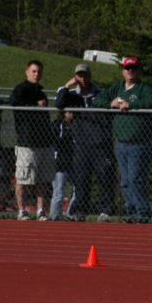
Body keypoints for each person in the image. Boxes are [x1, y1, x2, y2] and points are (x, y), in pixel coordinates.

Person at [94, 56, 152, 223]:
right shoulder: (117, 88)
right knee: (125, 181)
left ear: (139, 71)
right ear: (123, 71)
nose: (130, 71)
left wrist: (132, 105)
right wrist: (111, 104)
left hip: (138, 142)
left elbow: (151, 103)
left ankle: (142, 213)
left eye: (133, 68)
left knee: (136, 178)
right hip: (120, 142)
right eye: (127, 68)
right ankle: (131, 211)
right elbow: (98, 100)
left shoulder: (144, 89)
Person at [55, 63, 115, 222]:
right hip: (81, 145)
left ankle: (106, 211)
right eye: (79, 75)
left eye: (85, 75)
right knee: (81, 180)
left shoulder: (100, 94)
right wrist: (67, 85)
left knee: (105, 178)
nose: (82, 78)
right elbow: (59, 103)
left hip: (101, 145)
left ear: (90, 76)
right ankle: (79, 212)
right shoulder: (73, 96)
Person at [11, 60, 55, 221]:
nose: (37, 74)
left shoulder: (41, 92)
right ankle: (22, 210)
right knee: (23, 177)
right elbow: (16, 104)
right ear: (27, 72)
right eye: (34, 71)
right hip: (27, 142)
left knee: (43, 179)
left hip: (44, 141)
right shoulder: (20, 90)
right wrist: (35, 105)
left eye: (39, 72)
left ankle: (41, 210)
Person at [51, 111, 74, 220]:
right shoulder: (58, 125)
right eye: (69, 111)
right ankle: (55, 215)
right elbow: (57, 141)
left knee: (78, 189)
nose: (72, 114)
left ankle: (69, 213)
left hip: (73, 162)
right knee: (59, 191)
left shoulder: (77, 124)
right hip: (60, 162)